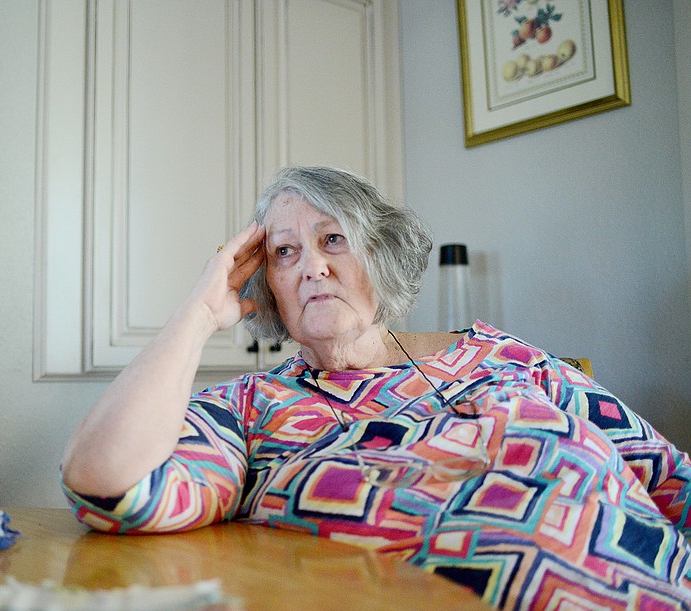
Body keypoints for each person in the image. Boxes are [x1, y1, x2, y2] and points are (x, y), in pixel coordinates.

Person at [61, 166, 691, 608]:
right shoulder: (253, 409)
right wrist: (199, 313)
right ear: (268, 288)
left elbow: (670, 480)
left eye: (334, 238)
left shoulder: (510, 359)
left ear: (380, 253)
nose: (313, 265)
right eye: (283, 253)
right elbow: (106, 480)